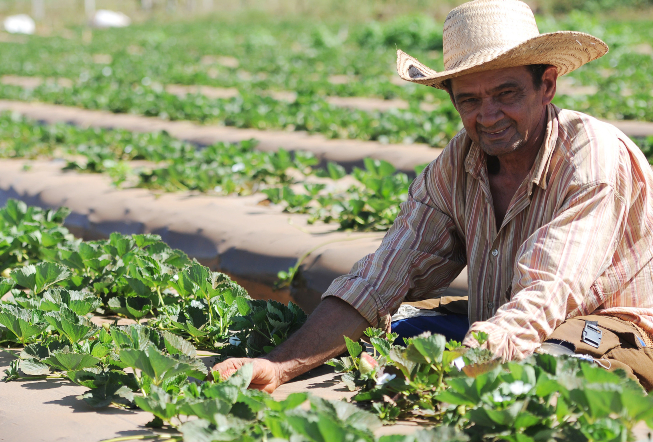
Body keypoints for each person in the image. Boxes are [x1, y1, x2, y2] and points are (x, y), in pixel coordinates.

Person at [213, 0, 653, 391]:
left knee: (549, 372)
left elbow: (549, 293)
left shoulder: (591, 157)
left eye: (506, 94)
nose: (489, 116)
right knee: (380, 328)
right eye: (469, 100)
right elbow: (383, 275)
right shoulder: (460, 163)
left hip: (604, 329)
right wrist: (278, 366)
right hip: (503, 323)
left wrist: (452, 365)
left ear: (547, 85)